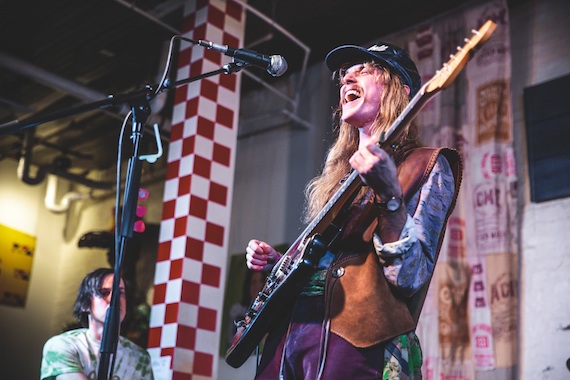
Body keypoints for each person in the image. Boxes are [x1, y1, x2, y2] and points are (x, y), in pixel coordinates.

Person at [244, 42, 462, 379]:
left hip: (359, 350)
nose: (347, 79)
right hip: (292, 345)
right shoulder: (339, 176)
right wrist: (283, 263)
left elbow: (411, 276)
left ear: (398, 90)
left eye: (364, 70)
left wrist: (390, 197)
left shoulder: (425, 165)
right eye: (345, 76)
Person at [40, 267, 154, 379]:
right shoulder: (63, 345)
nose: (115, 299)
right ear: (85, 304)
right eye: (104, 293)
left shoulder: (140, 358)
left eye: (120, 293)